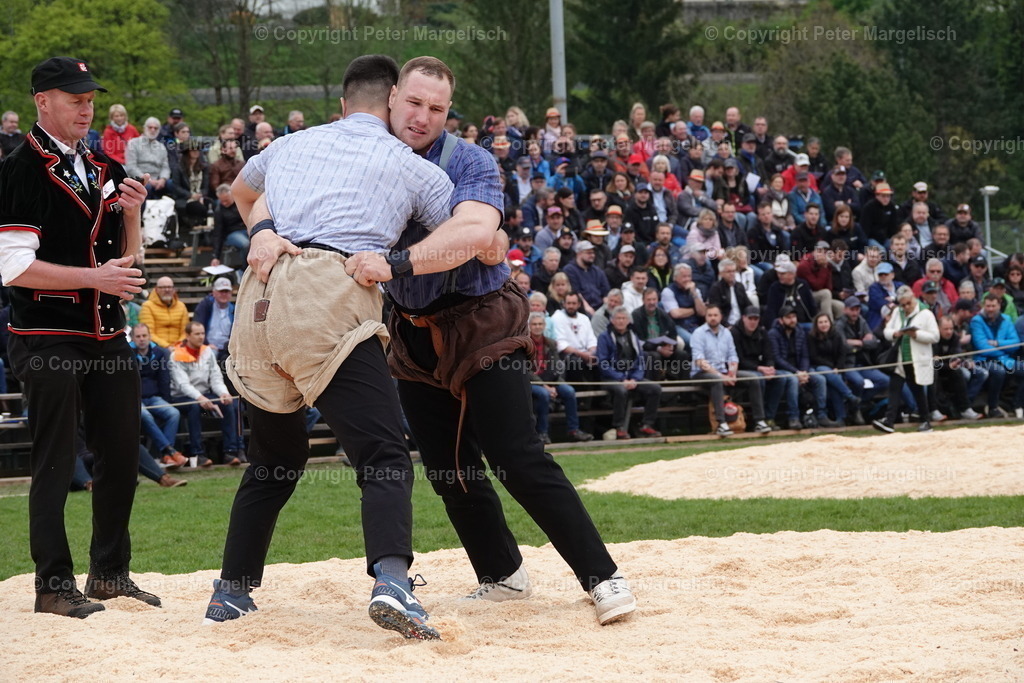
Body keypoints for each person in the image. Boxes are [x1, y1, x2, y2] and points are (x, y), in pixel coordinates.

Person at [345, 57, 635, 625]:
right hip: (412, 329)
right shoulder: (363, 156)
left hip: (481, 322)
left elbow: (477, 234)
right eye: (414, 102)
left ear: (448, 112)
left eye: (437, 108)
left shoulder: (470, 160)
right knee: (448, 468)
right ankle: (501, 573)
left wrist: (395, 260)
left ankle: (603, 577)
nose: (422, 116)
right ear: (392, 97)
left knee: (516, 455)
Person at [208, 55, 458, 639]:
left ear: (343, 105)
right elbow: (457, 237)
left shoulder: (292, 144)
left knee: (274, 458)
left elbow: (240, 194)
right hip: (329, 292)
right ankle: (394, 582)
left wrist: (265, 230)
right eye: (414, 104)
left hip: (260, 298)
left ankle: (231, 590)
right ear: (393, 101)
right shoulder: (415, 168)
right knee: (384, 455)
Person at [0, 56, 158, 616]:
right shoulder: (20, 167)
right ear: (43, 102)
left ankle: (110, 573)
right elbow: (14, 267)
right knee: (56, 459)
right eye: (74, 98)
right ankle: (52, 584)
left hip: (106, 332)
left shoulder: (99, 163)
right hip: (47, 334)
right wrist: (95, 278)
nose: (86, 107)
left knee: (120, 453)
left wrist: (134, 217)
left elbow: (127, 264)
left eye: (90, 98)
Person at [873, 286, 940, 433]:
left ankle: (925, 420)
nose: (905, 307)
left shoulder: (926, 313)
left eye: (908, 303)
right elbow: (887, 331)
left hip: (918, 359)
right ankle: (889, 421)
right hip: (900, 358)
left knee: (918, 390)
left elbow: (935, 336)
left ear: (914, 299)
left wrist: (915, 334)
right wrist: (896, 333)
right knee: (894, 388)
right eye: (902, 305)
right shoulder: (897, 312)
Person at [597, 306, 664, 439]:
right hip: (610, 378)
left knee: (655, 389)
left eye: (623, 318)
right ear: (612, 320)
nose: (621, 321)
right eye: (618, 318)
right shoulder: (604, 337)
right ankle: (619, 427)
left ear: (628, 320)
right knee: (621, 391)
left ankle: (647, 425)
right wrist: (622, 379)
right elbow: (603, 363)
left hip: (632, 377)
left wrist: (635, 379)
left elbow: (640, 361)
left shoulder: (633, 336)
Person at [527, 312, 592, 444]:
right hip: (532, 382)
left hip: (551, 380)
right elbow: (525, 370)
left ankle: (574, 430)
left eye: (540, 324)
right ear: (529, 326)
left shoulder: (551, 343)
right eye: (534, 324)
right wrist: (545, 386)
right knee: (544, 395)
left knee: (569, 391)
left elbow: (556, 365)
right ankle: (543, 433)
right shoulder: (525, 344)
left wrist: (554, 384)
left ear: (545, 326)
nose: (537, 327)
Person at [130, 324, 186, 467]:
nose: (142, 339)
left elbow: (164, 379)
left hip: (154, 397)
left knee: (173, 413)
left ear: (149, 336)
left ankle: (166, 456)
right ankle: (170, 451)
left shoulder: (159, 352)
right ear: (133, 338)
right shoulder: (127, 353)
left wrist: (166, 401)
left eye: (144, 336)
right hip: (135, 399)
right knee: (146, 416)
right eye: (138, 336)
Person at [768, 306, 829, 428]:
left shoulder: (800, 332)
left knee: (820, 379)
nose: (792, 320)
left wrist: (804, 372)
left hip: (800, 369)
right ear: (781, 320)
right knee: (793, 380)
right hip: (784, 369)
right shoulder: (773, 334)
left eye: (794, 317)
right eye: (788, 317)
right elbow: (777, 358)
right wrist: (797, 372)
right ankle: (793, 417)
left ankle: (821, 415)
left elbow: (805, 355)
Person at [731, 306, 791, 431]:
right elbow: (738, 359)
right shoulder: (735, 333)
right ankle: (758, 419)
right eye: (750, 318)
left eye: (756, 319)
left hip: (760, 367)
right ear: (743, 318)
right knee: (758, 379)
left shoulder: (762, 332)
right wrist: (759, 368)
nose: (753, 322)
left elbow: (769, 354)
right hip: (742, 368)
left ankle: (770, 417)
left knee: (781, 378)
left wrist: (770, 367)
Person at [690, 304, 743, 436]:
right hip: (701, 373)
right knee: (716, 380)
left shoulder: (726, 333)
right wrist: (721, 376)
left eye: (715, 315)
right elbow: (699, 360)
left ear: (721, 317)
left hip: (724, 372)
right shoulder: (698, 333)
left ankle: (760, 420)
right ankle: (721, 423)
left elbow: (732, 355)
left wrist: (732, 372)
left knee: (753, 378)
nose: (713, 318)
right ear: (705, 317)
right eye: (710, 315)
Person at [969, 293, 1024, 418]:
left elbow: (1016, 343)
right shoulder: (976, 321)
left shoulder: (1006, 319)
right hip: (983, 360)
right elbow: (983, 348)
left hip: (1005, 360)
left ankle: (1018, 404)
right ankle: (993, 407)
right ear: (983, 305)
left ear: (999, 306)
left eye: (993, 306)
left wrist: (997, 343)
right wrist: (1004, 350)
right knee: (998, 371)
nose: (990, 309)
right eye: (988, 306)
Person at [807, 313, 861, 425]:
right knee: (830, 374)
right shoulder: (811, 337)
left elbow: (842, 353)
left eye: (825, 322)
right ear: (816, 325)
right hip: (818, 366)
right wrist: (832, 368)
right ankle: (850, 396)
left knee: (834, 384)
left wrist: (838, 367)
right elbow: (814, 357)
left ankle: (841, 418)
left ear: (830, 323)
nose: (823, 324)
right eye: (820, 322)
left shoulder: (836, 335)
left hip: (835, 368)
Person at [193, 277, 236, 363]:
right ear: (214, 292)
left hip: (228, 348)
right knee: (210, 355)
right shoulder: (205, 306)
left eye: (227, 292)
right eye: (221, 291)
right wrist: (206, 344)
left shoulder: (234, 309)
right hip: (207, 346)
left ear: (231, 293)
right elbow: (197, 325)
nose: (224, 294)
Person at [139, 276, 189, 347]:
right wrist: (167, 346)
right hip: (156, 347)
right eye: (163, 287)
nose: (167, 290)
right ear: (156, 289)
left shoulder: (181, 306)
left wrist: (178, 346)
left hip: (179, 346)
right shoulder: (147, 306)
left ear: (173, 289)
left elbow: (185, 332)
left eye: (169, 287)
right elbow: (148, 333)